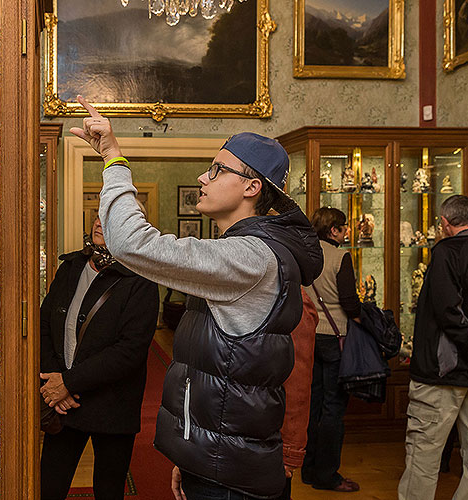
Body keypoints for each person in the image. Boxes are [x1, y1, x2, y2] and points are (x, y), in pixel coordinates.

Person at [69, 96, 323, 500]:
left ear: (252, 187)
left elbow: (130, 242)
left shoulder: (251, 257)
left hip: (231, 480)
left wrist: (115, 159)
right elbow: (216, 375)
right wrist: (192, 459)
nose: (203, 178)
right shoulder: (245, 252)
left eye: (217, 169)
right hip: (218, 464)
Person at [39, 215, 159, 500]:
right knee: (48, 487)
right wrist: (52, 381)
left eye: (111, 217)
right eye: (98, 215)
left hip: (112, 407)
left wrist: (68, 382)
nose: (100, 222)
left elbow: (130, 351)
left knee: (109, 489)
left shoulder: (141, 280)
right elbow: (43, 325)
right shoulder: (71, 267)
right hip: (63, 405)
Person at [398, 195, 468, 500]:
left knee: (423, 457)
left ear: (445, 223)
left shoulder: (446, 252)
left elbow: (448, 312)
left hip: (442, 374)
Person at [302, 207, 362, 492]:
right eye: (344, 227)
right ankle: (327, 474)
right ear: (333, 230)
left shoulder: (307, 252)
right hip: (336, 337)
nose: (347, 231)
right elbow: (350, 304)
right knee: (333, 408)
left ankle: (308, 468)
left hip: (309, 335)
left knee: (312, 406)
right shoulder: (341, 257)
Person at [278, 289, 319, 500]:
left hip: (258, 446)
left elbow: (296, 384)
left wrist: (290, 451)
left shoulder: (291, 299)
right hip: (214, 444)